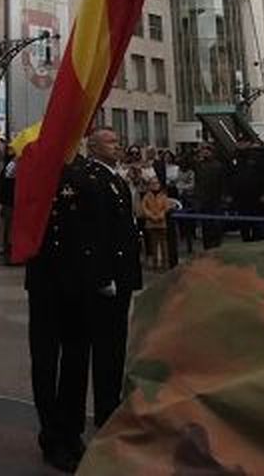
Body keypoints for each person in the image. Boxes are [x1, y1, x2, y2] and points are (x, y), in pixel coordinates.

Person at [25, 153, 98, 472]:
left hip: (78, 278)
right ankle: (50, 433)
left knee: (77, 359)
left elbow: (97, 219)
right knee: (45, 360)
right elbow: (5, 192)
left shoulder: (83, 171)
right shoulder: (32, 165)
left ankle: (71, 429)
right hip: (45, 280)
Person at [81, 126, 143, 427]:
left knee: (117, 341)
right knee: (107, 344)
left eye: (118, 140)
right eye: (111, 141)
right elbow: (97, 232)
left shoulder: (114, 177)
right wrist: (103, 275)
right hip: (108, 275)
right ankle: (105, 406)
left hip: (122, 271)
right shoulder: (95, 179)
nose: (117, 145)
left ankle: (112, 400)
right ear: (92, 146)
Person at [140, 178, 176, 269]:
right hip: (151, 223)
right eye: (152, 184)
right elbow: (144, 208)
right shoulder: (147, 196)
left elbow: (166, 207)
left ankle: (165, 263)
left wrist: (160, 215)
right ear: (149, 185)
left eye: (156, 183)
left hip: (162, 223)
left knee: (164, 245)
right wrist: (151, 216)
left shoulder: (163, 196)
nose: (155, 185)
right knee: (153, 245)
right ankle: (155, 264)